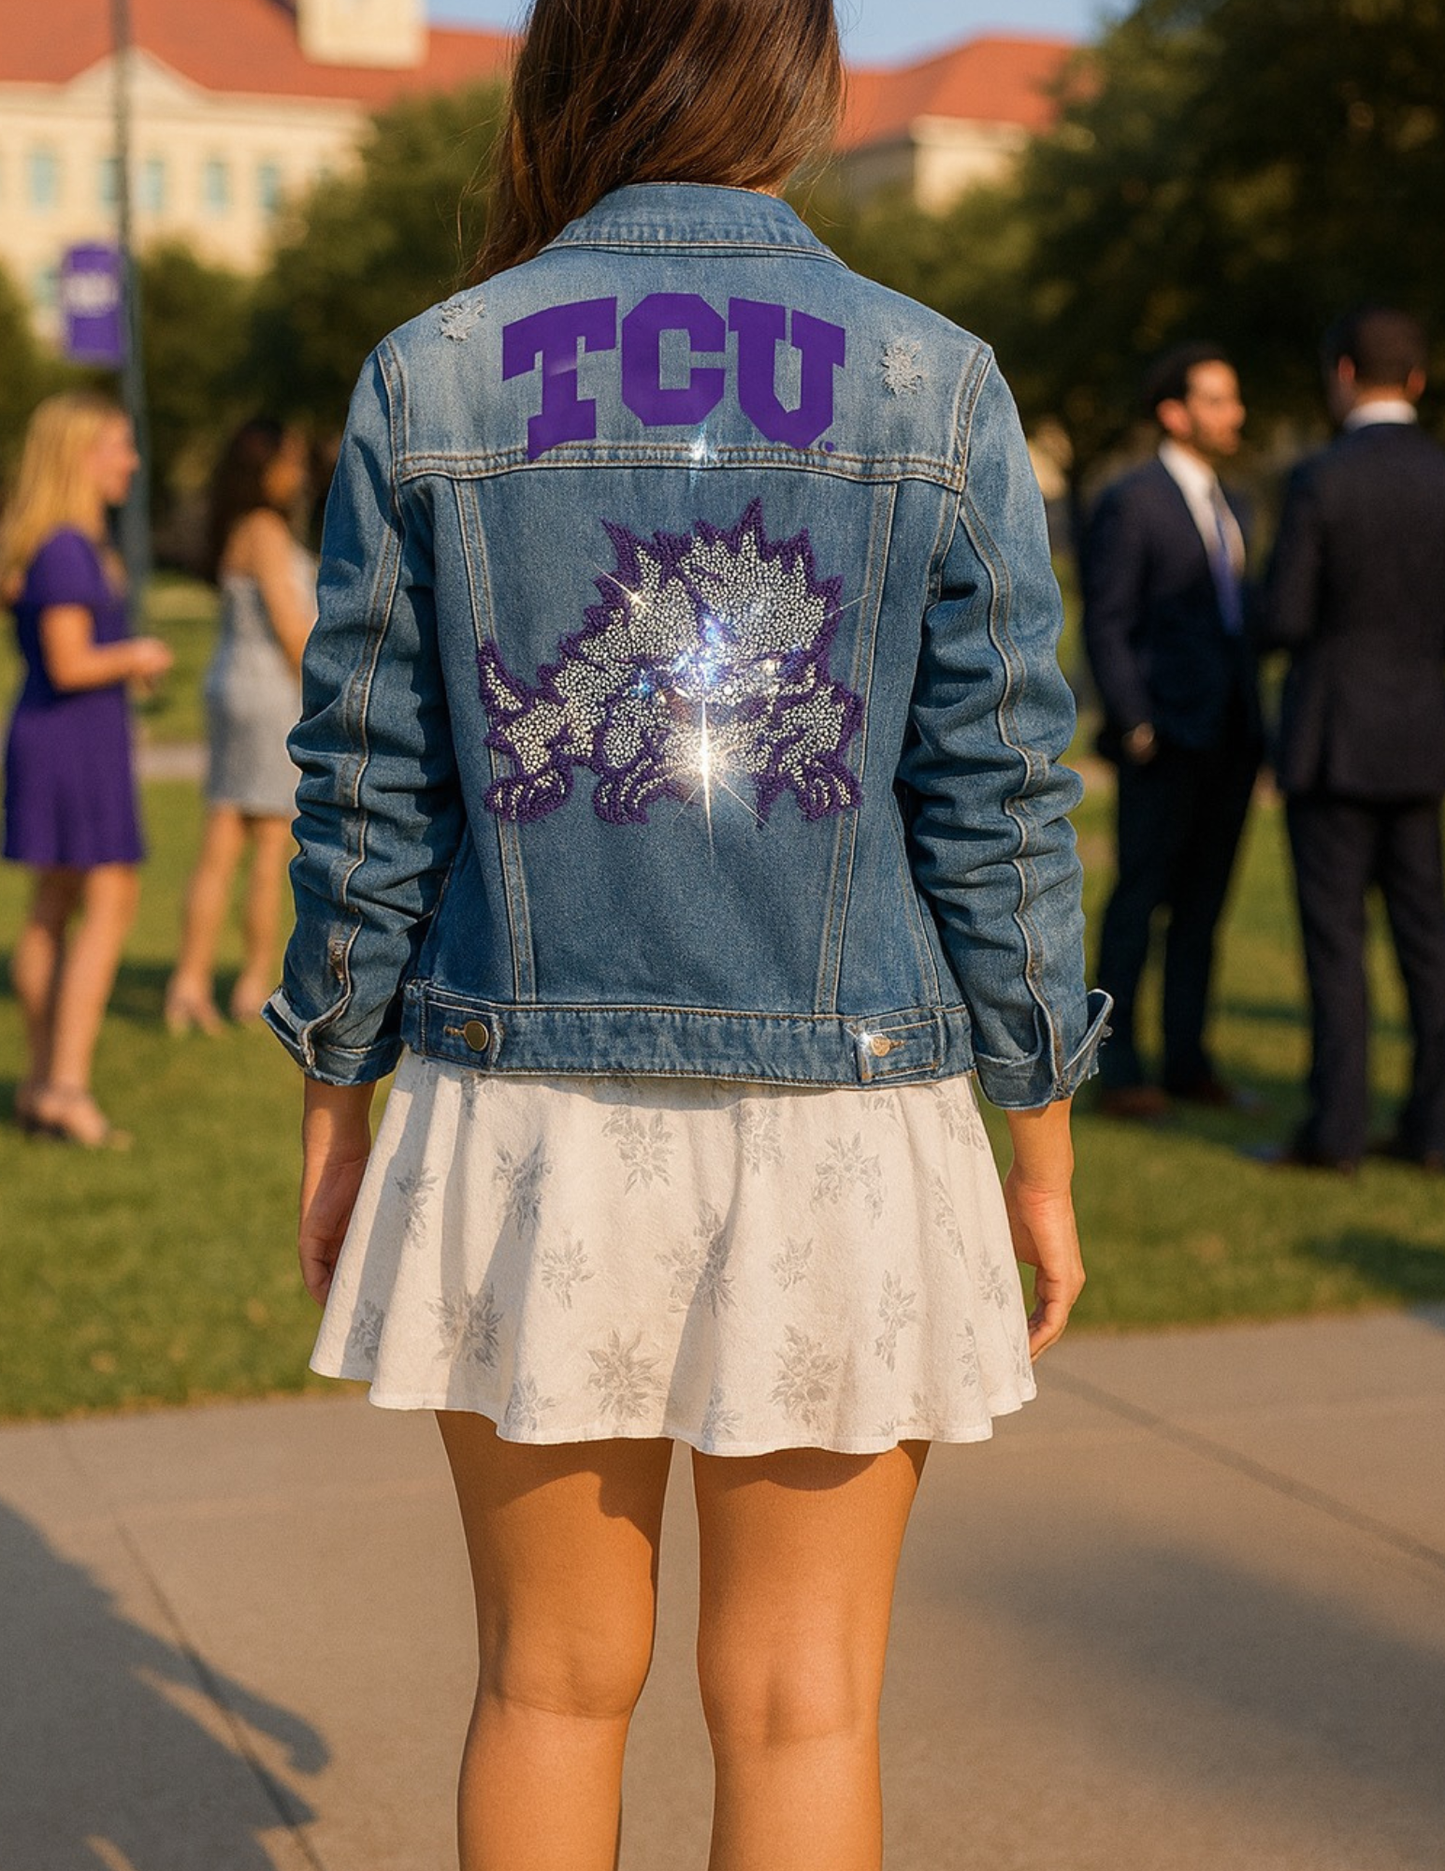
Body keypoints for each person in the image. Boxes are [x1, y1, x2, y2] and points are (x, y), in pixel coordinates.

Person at [265, 4, 1108, 1866]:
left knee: (547, 1685)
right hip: (848, 1112)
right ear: (796, 82)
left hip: (525, 1106)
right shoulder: (935, 377)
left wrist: (339, 1099)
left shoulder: (435, 372)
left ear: (565, 73)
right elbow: (1002, 797)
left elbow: (367, 781)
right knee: (804, 1702)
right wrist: (1037, 1141)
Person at [1259, 308, 1445, 1173]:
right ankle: (1431, 1126)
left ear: (1340, 374)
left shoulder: (1319, 479)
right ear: (1415, 380)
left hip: (1332, 738)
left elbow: (1285, 616)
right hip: (1422, 741)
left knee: (1335, 944)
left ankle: (1334, 1131)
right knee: (1425, 941)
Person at [1082, 342, 1262, 1120]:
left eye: (1232, 398)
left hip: (1229, 738)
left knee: (1203, 906)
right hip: (1163, 738)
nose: (1234, 413)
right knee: (1138, 902)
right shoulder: (1133, 498)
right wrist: (1135, 721)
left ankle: (1188, 1059)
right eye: (1217, 400)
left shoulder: (1235, 503)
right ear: (1174, 411)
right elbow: (1108, 620)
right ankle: (1117, 1066)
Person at [2, 391, 173, 1146]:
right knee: (105, 903)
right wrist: (136, 653)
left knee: (53, 907)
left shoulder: (51, 541)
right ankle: (66, 1086)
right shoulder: (67, 546)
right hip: (72, 741)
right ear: (78, 454)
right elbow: (70, 660)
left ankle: (43, 1086)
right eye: (117, 446)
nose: (130, 461)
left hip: (58, 735)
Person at [165, 420, 315, 1033]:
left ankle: (188, 983)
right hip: (267, 695)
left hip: (227, 685)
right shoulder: (267, 530)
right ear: (268, 466)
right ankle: (251, 983)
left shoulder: (232, 529)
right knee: (266, 849)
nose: (300, 473)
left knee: (219, 843)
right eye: (292, 460)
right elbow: (289, 626)